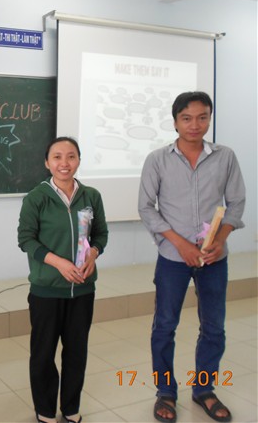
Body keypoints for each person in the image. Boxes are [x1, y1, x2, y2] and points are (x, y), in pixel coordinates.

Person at [138, 91, 245, 423]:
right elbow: (146, 207)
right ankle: (165, 392)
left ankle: (204, 389)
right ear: (175, 122)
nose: (195, 124)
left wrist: (221, 240)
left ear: (209, 119)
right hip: (173, 257)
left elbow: (236, 203)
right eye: (187, 118)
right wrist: (180, 244)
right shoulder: (157, 159)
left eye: (202, 117)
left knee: (214, 327)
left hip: (214, 258)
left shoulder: (225, 157)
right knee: (164, 326)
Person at [17, 137, 108, 423]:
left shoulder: (91, 196)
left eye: (71, 156)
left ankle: (71, 407)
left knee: (76, 352)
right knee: (43, 354)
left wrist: (93, 253)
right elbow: (26, 239)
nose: (64, 163)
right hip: (46, 290)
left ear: (79, 160)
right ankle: (45, 411)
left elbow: (101, 234)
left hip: (82, 290)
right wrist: (59, 263)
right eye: (57, 157)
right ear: (47, 163)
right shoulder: (36, 198)